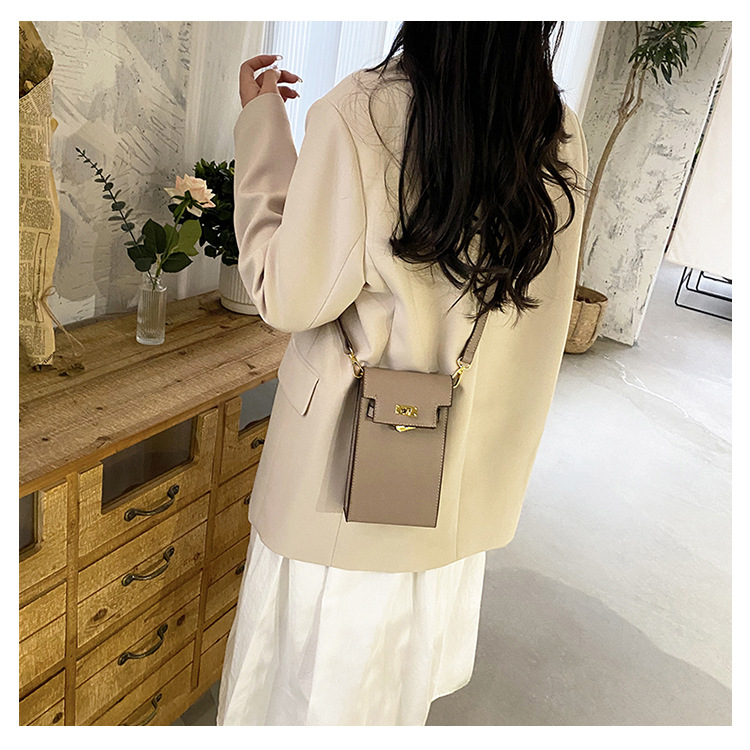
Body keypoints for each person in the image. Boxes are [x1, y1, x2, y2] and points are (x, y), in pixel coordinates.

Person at [216, 21, 588, 726]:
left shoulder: (362, 113)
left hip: (344, 487)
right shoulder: (555, 129)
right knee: (391, 700)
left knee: (308, 696)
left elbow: (287, 295)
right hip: (457, 486)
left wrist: (263, 131)